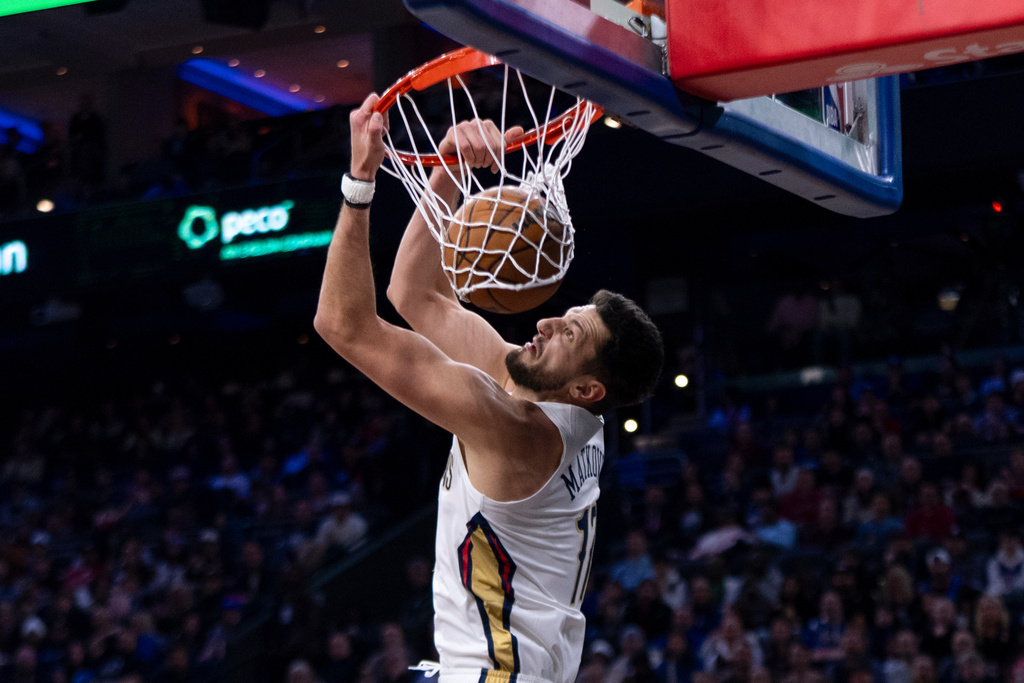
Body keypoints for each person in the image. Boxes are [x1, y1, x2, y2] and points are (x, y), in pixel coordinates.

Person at [315, 95, 664, 683]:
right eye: (565, 315)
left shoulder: (516, 431)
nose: (547, 323)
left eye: (569, 333)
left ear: (586, 388)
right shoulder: (545, 400)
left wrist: (361, 180)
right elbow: (415, 294)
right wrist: (449, 169)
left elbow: (343, 324)